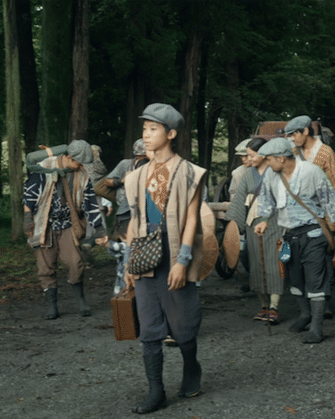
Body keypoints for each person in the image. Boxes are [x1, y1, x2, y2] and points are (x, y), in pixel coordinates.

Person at [122, 103, 207, 414]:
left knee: (183, 324)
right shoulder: (137, 174)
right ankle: (156, 391)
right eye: (144, 129)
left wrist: (183, 261)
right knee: (149, 328)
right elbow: (134, 220)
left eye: (153, 129)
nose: (146, 135)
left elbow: (193, 219)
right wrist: (128, 263)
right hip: (145, 253)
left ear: (170, 134)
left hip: (174, 251)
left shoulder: (190, 173)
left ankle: (191, 367)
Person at [253, 137, 335, 343]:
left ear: (281, 158)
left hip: (313, 234)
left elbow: (330, 199)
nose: (267, 163)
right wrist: (263, 220)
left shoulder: (311, 171)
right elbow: (265, 200)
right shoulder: (271, 175)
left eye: (269, 159)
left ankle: (316, 327)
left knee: (315, 278)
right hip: (288, 236)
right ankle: (305, 315)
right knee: (295, 278)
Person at [23, 140, 105, 319]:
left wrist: (100, 229)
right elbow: (29, 194)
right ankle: (52, 305)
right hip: (44, 224)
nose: (81, 166)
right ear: (67, 157)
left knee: (75, 263)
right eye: (77, 162)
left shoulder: (81, 174)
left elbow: (90, 202)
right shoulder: (43, 168)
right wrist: (28, 219)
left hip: (68, 224)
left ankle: (81, 298)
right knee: (46, 267)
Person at [226, 138, 284, 324]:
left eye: (251, 155)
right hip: (253, 224)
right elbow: (239, 200)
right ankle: (264, 305)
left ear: (263, 154)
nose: (248, 159)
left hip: (275, 222)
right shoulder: (248, 174)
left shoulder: (275, 172)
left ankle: (274, 307)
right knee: (256, 264)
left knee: (275, 264)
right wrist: (233, 227)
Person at [99, 139, 149, 294]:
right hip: (125, 213)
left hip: (147, 212)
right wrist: (122, 180)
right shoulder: (125, 164)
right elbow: (106, 181)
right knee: (127, 250)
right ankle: (125, 287)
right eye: (140, 157)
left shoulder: (155, 166)